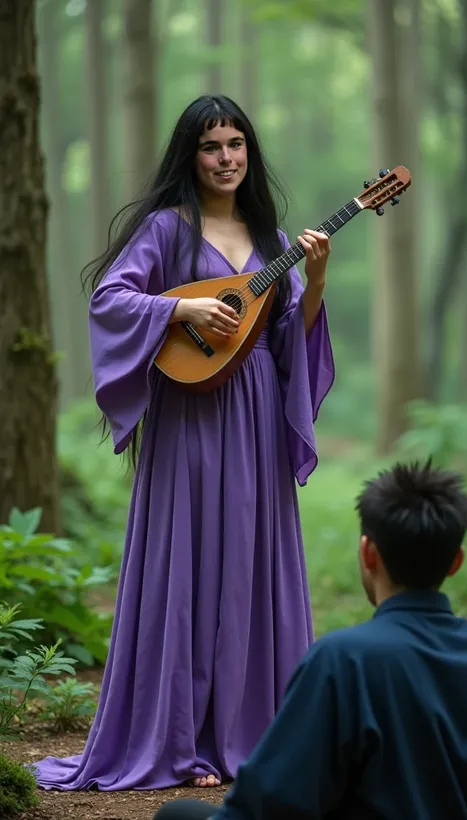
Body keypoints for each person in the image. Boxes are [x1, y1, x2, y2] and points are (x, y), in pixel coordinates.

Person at [33, 94, 335, 792]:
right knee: (188, 561)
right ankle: (178, 739)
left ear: (249, 154)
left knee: (248, 562)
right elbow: (111, 299)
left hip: (256, 411)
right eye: (211, 146)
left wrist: (314, 278)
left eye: (236, 145)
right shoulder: (167, 229)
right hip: (189, 416)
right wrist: (181, 305)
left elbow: (290, 338)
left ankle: (253, 731)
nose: (227, 157)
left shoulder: (269, 236)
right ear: (190, 157)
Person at [155, 459, 467, 819]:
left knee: (177, 814)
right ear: (455, 562)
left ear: (368, 553)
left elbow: (271, 799)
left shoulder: (344, 659)